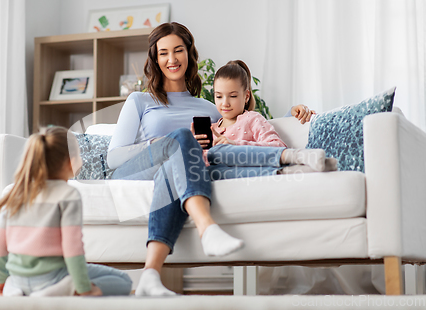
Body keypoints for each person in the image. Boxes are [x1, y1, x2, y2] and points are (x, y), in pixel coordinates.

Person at [107, 22, 315, 296]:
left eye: (178, 50)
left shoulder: (208, 107)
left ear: (189, 53)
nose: (172, 59)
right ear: (155, 59)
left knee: (192, 157)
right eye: (164, 53)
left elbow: (245, 128)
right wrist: (161, 144)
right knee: (182, 138)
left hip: (173, 176)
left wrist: (295, 113)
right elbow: (113, 158)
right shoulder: (139, 101)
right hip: (134, 171)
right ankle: (207, 228)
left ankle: (150, 277)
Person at [0, 126, 132, 297]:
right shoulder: (68, 195)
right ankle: (57, 290)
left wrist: (0, 280)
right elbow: (72, 248)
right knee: (124, 281)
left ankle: (14, 289)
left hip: (18, 277)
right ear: (70, 162)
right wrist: (83, 287)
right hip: (53, 277)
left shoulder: (17, 194)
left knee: (16, 280)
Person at [195, 60, 338, 180]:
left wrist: (234, 144)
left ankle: (299, 157)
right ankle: (290, 172)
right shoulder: (211, 129)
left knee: (222, 151)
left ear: (246, 96)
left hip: (251, 166)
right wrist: (195, 147)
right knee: (211, 166)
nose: (224, 103)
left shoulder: (251, 118)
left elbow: (277, 145)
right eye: (219, 96)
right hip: (227, 175)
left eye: (232, 96)